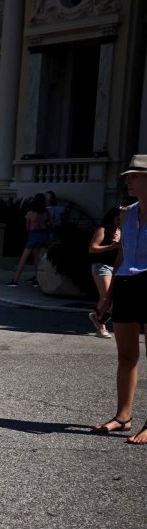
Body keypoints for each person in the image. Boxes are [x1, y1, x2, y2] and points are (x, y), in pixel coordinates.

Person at [93, 155, 147, 444]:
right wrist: (108, 297)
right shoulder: (126, 214)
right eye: (128, 176)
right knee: (126, 356)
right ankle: (123, 416)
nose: (128, 181)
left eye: (135, 176)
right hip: (126, 283)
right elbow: (122, 256)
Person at [87, 205, 122, 338]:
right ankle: (101, 328)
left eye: (122, 219)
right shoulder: (103, 230)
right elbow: (92, 248)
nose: (119, 221)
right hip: (102, 266)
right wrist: (110, 247)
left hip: (117, 267)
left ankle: (97, 316)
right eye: (117, 219)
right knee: (106, 296)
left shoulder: (122, 231)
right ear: (112, 217)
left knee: (115, 299)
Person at [11, 194, 51, 286]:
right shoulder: (46, 212)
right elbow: (51, 223)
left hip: (33, 235)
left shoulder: (30, 213)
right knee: (38, 259)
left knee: (23, 258)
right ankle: (37, 279)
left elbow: (28, 227)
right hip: (43, 235)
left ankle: (15, 279)